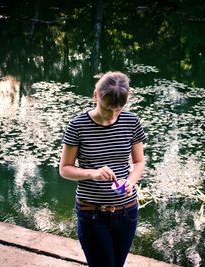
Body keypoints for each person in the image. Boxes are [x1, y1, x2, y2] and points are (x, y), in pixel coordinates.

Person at [59, 71, 146, 267]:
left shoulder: (132, 122)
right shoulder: (77, 126)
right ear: (95, 95)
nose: (113, 115)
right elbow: (64, 169)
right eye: (108, 109)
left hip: (127, 211)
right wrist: (93, 173)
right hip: (92, 213)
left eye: (118, 109)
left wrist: (131, 181)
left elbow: (139, 162)